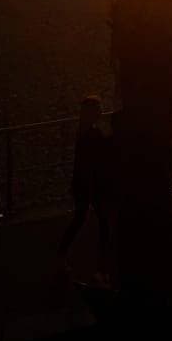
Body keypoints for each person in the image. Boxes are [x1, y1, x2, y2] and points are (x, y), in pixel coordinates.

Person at [58, 97, 111, 267]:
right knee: (103, 220)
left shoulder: (82, 132)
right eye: (98, 109)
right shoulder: (93, 134)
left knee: (81, 218)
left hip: (83, 182)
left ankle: (62, 253)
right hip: (91, 182)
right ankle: (103, 258)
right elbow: (103, 153)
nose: (100, 112)